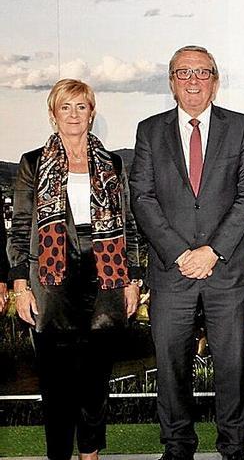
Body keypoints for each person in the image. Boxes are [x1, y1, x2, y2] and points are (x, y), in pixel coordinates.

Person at [130, 46, 244, 460]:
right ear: (171, 82)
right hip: (172, 272)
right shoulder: (149, 131)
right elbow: (142, 199)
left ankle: (234, 445)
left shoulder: (241, 127)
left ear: (215, 81)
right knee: (170, 367)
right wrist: (180, 252)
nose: (192, 80)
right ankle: (177, 445)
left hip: (226, 271)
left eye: (201, 72)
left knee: (232, 366)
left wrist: (213, 251)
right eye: (183, 73)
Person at [8, 78, 142, 460]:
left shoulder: (113, 163)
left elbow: (129, 224)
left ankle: (90, 453)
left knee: (96, 378)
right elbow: (20, 227)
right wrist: (20, 284)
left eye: (80, 107)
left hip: (106, 273)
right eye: (65, 107)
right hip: (51, 279)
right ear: (53, 114)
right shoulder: (32, 163)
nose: (73, 115)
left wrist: (133, 280)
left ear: (91, 113)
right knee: (56, 381)